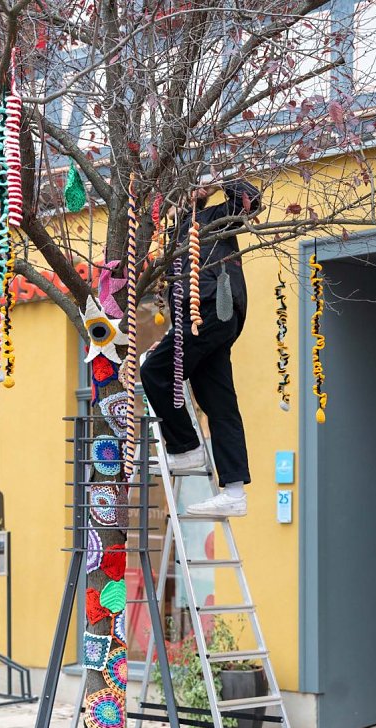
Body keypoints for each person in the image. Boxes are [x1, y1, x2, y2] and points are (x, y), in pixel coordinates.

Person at [140, 177, 261, 517]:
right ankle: (235, 491)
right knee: (219, 402)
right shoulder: (176, 233)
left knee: (154, 371)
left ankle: (186, 446)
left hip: (212, 309)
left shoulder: (217, 218)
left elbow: (251, 199)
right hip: (202, 319)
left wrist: (221, 180)